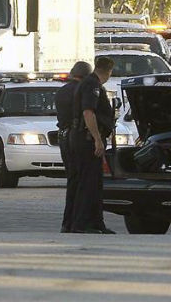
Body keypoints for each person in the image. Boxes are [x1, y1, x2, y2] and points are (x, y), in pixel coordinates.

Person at [71, 57, 116, 234]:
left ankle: (97, 223)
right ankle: (81, 224)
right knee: (88, 183)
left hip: (85, 138)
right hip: (87, 139)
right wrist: (97, 138)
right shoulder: (92, 85)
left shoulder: (90, 83)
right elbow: (88, 112)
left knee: (95, 183)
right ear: (108, 71)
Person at [55, 61, 92, 233]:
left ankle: (66, 222)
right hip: (77, 138)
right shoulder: (83, 90)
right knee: (82, 182)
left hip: (63, 137)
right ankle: (78, 221)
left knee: (72, 180)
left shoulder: (62, 91)